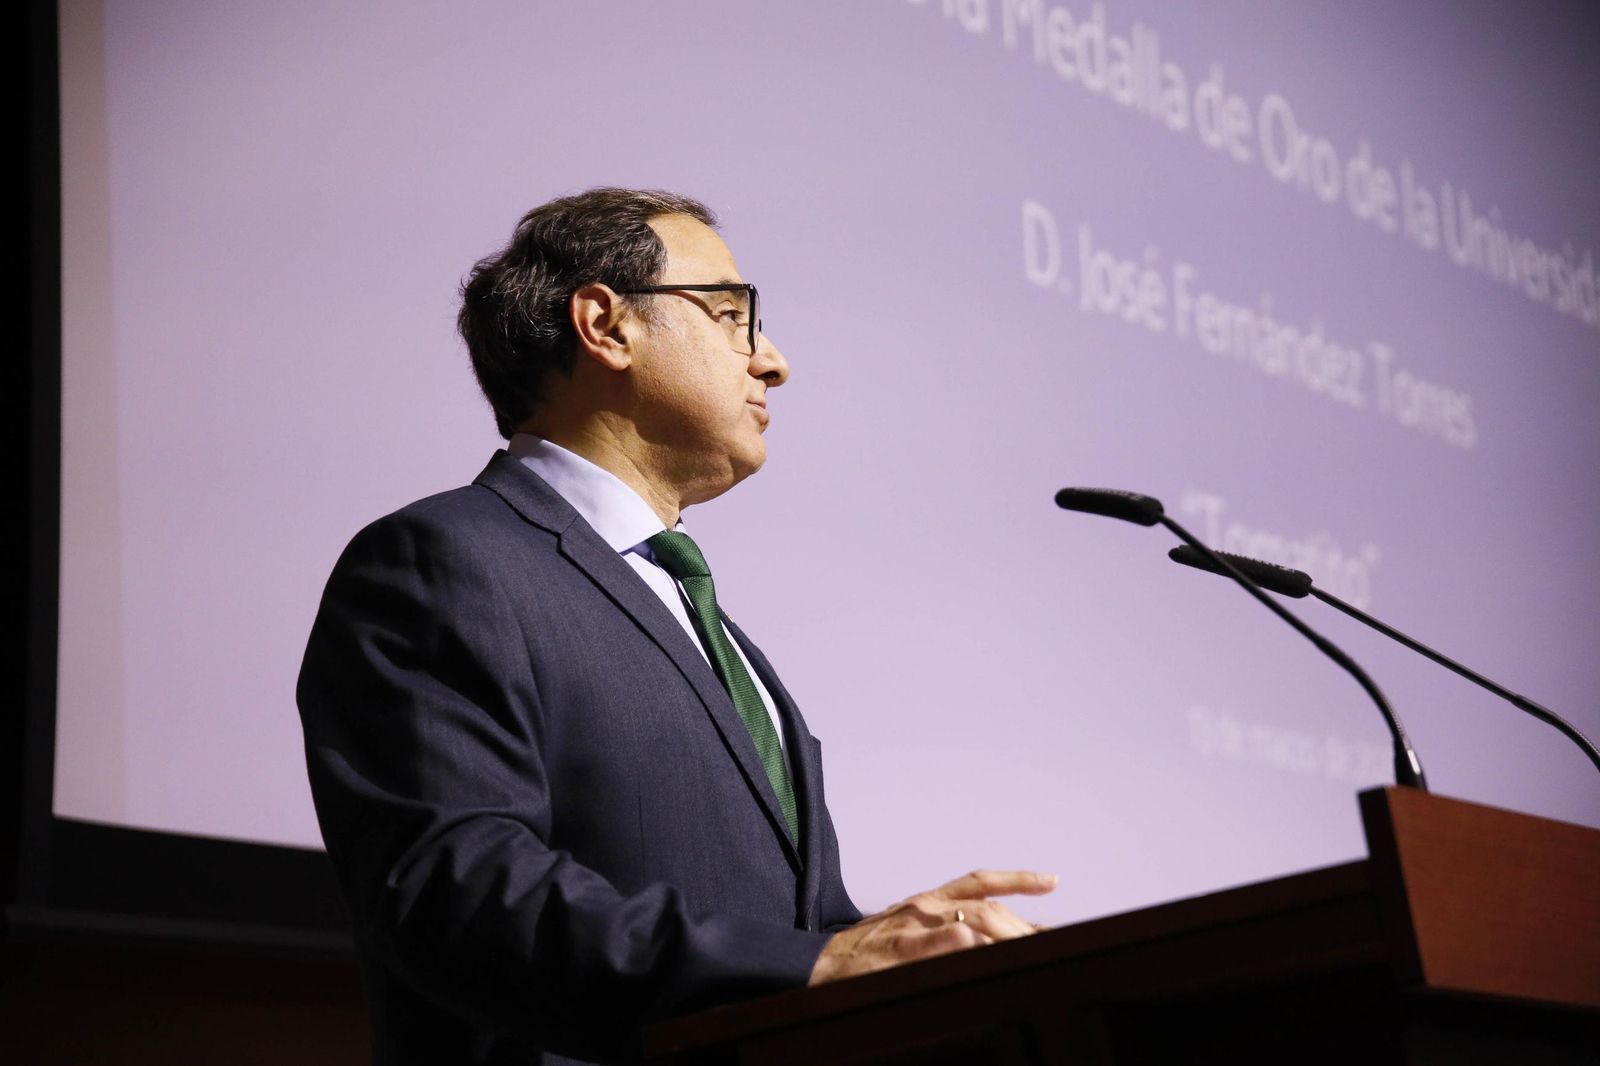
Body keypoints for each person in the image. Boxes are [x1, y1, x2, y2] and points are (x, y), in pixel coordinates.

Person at [297, 187, 1056, 1065]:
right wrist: (815, 962)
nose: (772, 361)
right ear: (605, 325)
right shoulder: (442, 563)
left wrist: (904, 956)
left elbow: (797, 933)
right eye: (732, 314)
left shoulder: (713, 628)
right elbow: (455, 891)